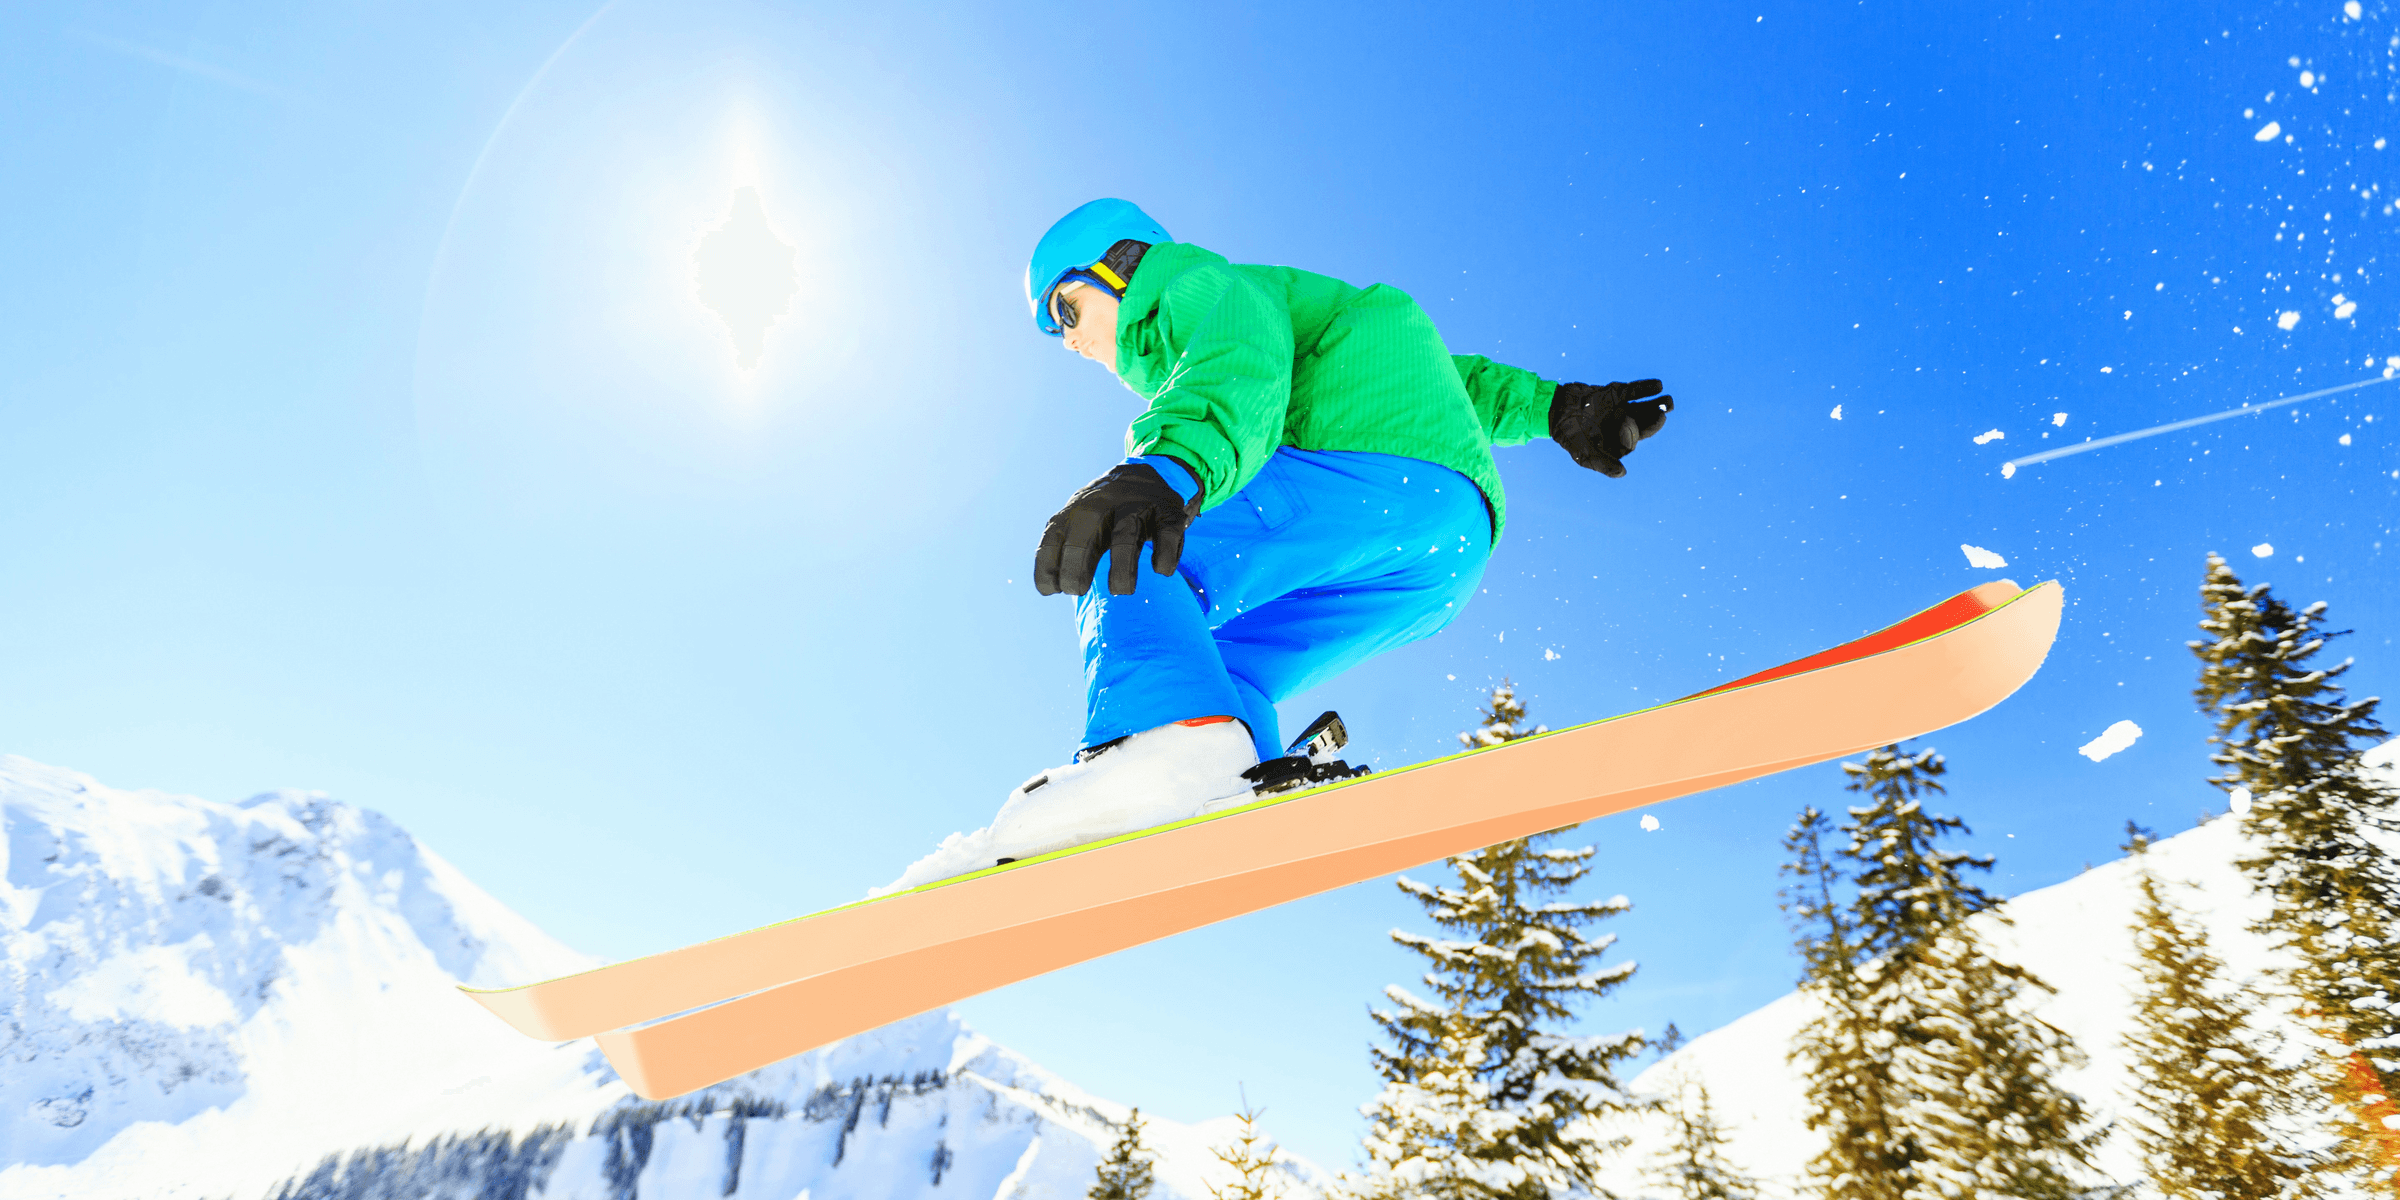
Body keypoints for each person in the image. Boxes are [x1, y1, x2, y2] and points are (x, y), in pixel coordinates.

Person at [883, 199, 1672, 890]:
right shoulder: (1329, 322)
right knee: (1216, 666)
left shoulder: (1192, 284)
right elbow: (1448, 381)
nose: (1065, 341)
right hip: (1445, 545)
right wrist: (1557, 407)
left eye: (1064, 310)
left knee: (1136, 549)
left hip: (1365, 477)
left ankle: (1158, 754)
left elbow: (1241, 358)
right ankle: (1231, 767)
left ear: (1120, 269)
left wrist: (1166, 469)